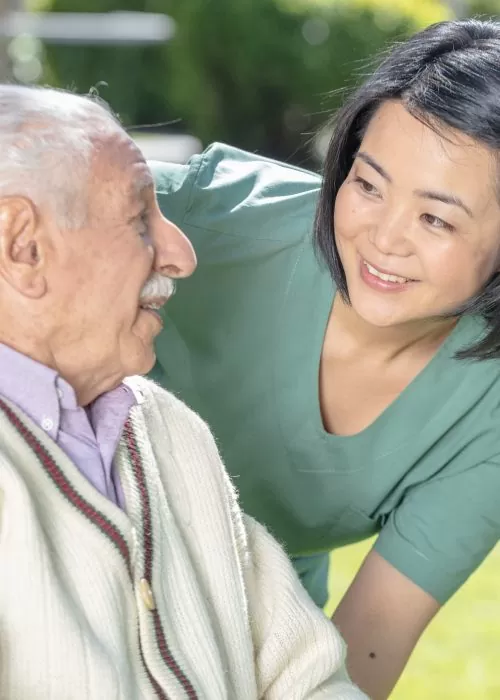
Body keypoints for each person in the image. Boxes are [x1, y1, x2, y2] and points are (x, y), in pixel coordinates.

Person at [148, 17, 500, 699]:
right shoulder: (209, 218)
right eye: (367, 184)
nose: (382, 238)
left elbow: (365, 648)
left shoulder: (488, 418)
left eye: (436, 219)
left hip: (246, 616)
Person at [0, 85, 367, 700]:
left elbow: (305, 675)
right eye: (140, 216)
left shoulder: (167, 428)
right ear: (23, 247)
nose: (181, 254)